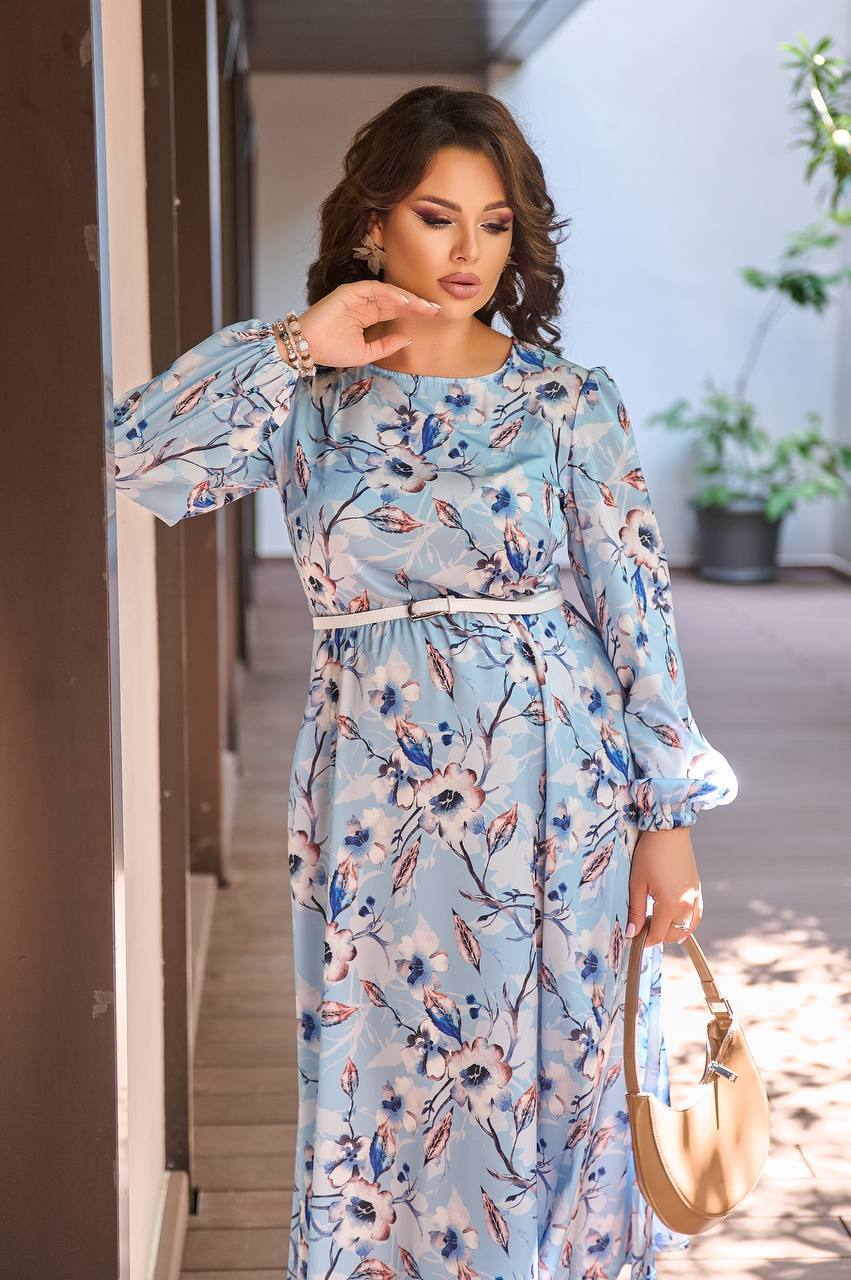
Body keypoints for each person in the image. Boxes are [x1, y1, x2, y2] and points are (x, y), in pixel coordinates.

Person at [110, 85, 738, 1280]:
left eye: (494, 224)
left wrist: (666, 821)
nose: (468, 252)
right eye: (436, 217)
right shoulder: (306, 395)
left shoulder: (568, 401)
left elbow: (636, 614)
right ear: (371, 224)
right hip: (373, 794)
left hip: (556, 792)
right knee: (385, 1077)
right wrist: (296, 342)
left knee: (565, 1077)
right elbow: (134, 457)